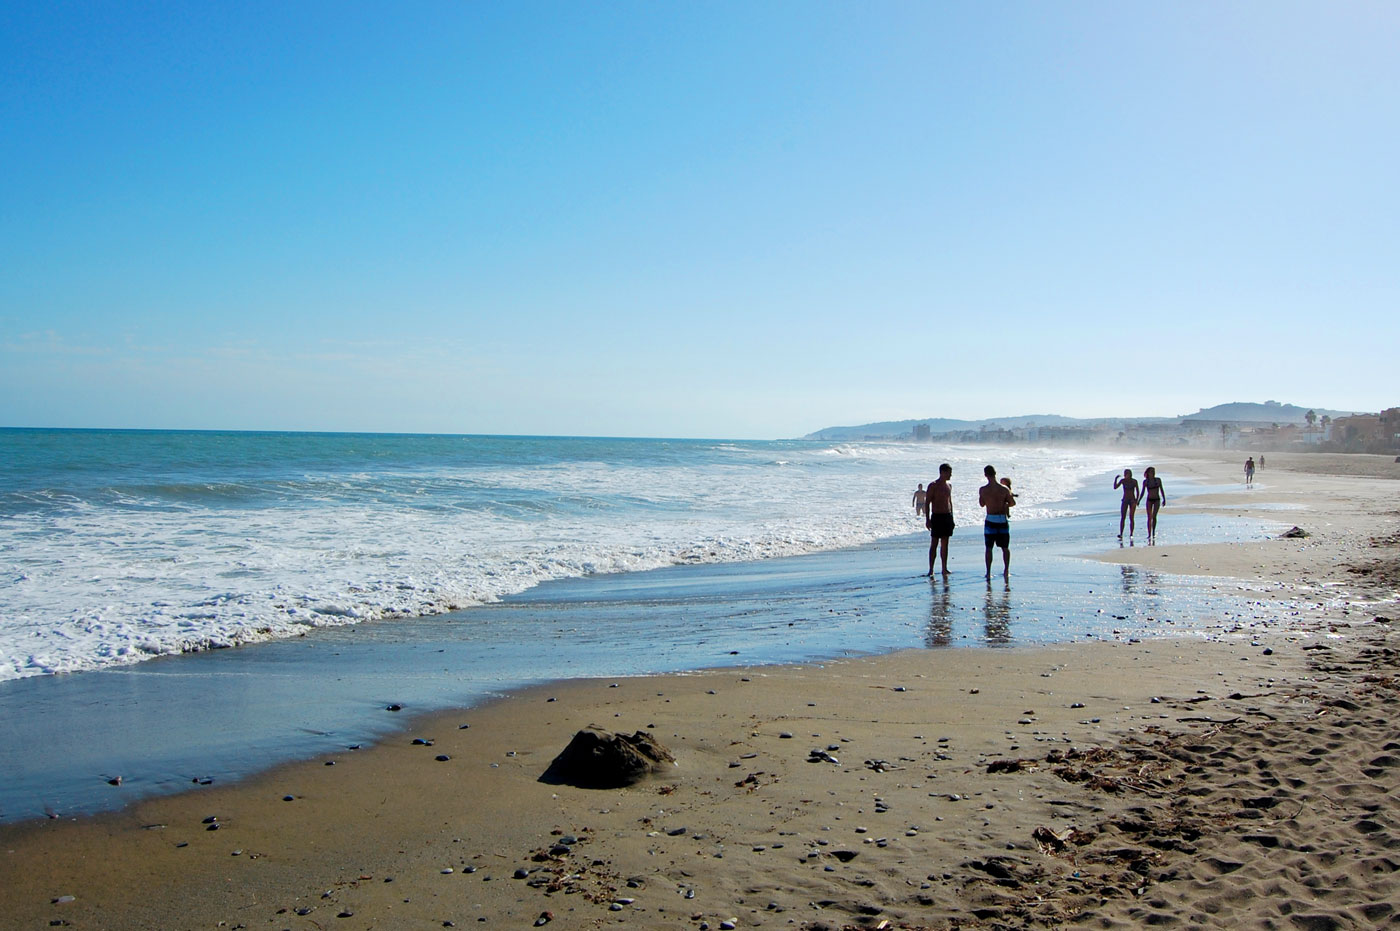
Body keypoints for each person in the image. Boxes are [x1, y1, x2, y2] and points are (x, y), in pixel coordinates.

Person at [979, 464, 1015, 579]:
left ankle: (988, 572)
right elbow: (1013, 503)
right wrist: (1004, 503)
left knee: (989, 548)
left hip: (990, 519)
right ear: (995, 473)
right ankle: (1006, 571)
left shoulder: (983, 489)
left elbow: (981, 504)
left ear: (985, 475)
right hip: (1001, 519)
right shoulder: (1004, 489)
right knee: (1005, 547)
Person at [925, 464, 954, 575]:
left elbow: (950, 502)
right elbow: (927, 503)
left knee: (945, 544)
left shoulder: (949, 485)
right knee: (934, 543)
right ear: (942, 472)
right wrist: (927, 519)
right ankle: (931, 569)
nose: (951, 475)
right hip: (937, 516)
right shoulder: (933, 485)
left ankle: (944, 568)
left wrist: (952, 517)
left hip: (947, 516)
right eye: (949, 472)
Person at [1138, 466, 1166, 543]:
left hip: (1157, 499)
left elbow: (1161, 489)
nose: (1153, 473)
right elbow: (1143, 492)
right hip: (1149, 500)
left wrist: (1164, 499)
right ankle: (1149, 533)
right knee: (1149, 517)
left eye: (1154, 472)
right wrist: (1139, 500)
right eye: (1152, 472)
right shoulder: (1146, 482)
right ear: (1148, 473)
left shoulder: (1158, 480)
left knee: (1154, 516)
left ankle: (1153, 532)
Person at [1113, 468, 1139, 539]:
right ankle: (1121, 533)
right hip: (1125, 500)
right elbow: (1115, 487)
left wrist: (1137, 500)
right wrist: (1116, 479)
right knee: (1123, 517)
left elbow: (1137, 491)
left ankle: (1131, 533)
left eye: (1128, 474)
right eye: (1126, 474)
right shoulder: (1123, 481)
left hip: (1132, 500)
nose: (1127, 475)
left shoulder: (1134, 481)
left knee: (1131, 517)